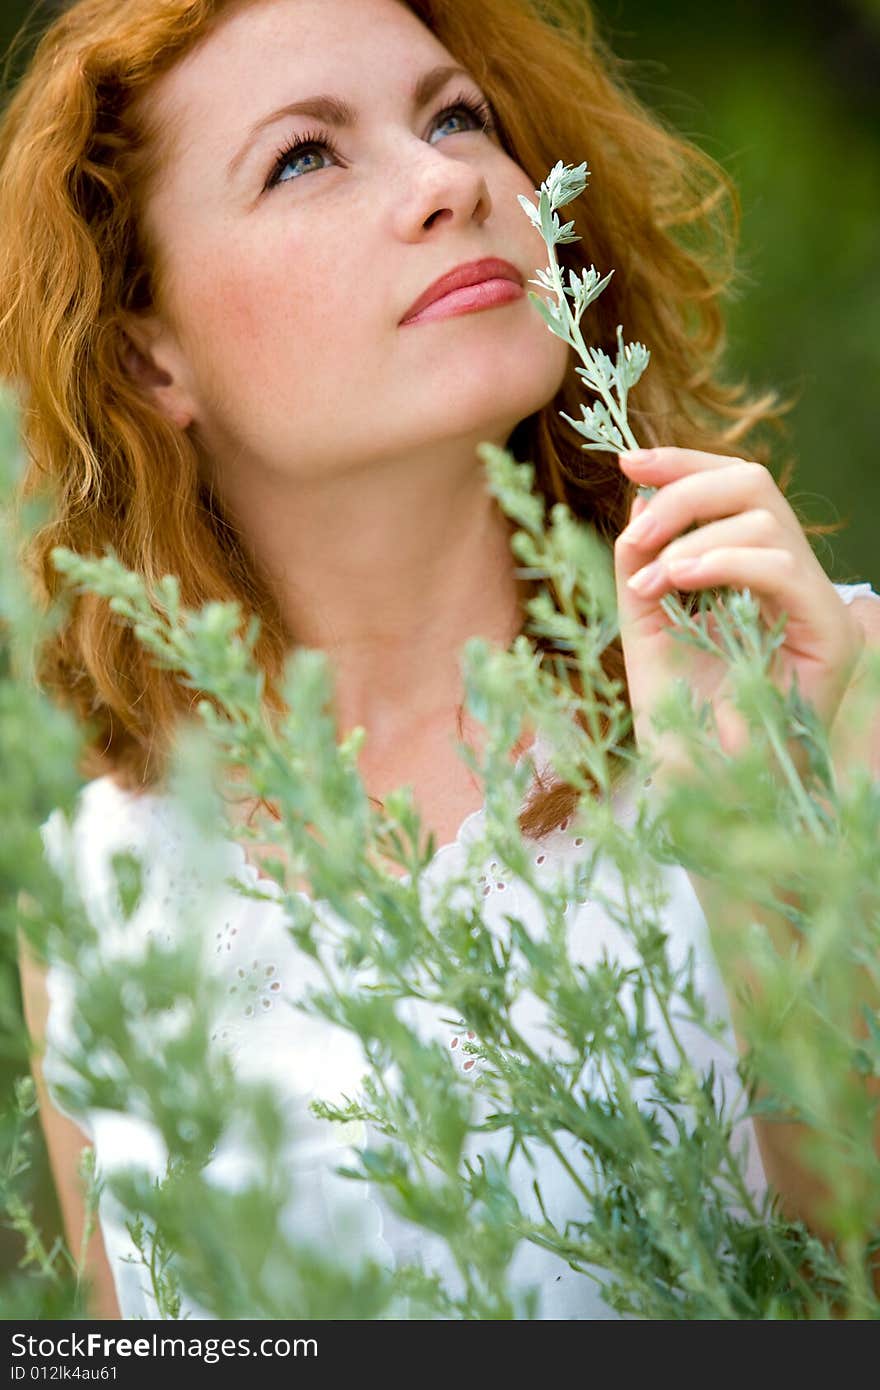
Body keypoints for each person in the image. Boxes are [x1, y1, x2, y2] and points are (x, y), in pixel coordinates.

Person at [3, 0, 879, 1320]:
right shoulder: (98, 893)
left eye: (456, 117)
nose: (445, 185)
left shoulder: (835, 678)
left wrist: (761, 843)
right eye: (306, 156)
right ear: (148, 354)